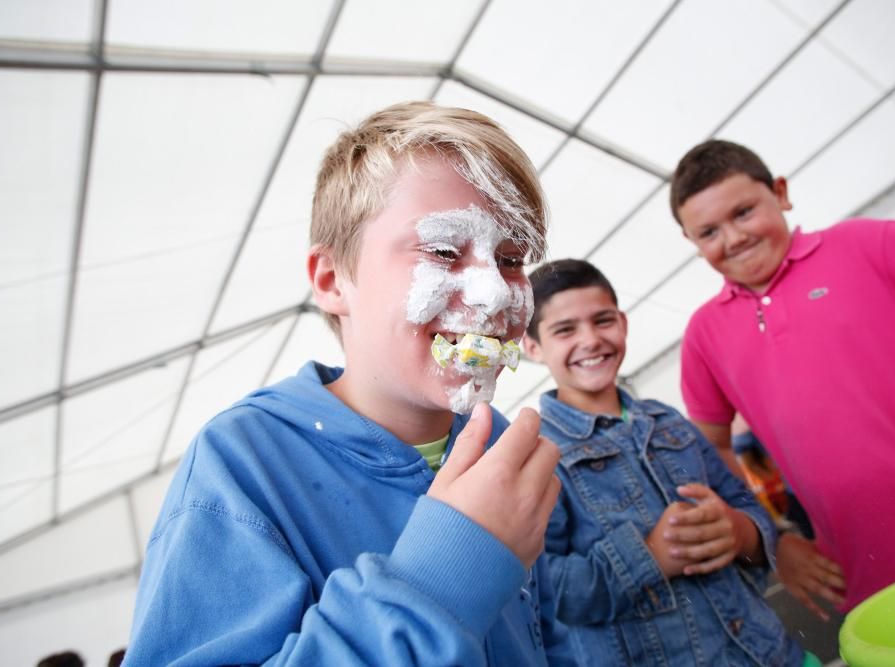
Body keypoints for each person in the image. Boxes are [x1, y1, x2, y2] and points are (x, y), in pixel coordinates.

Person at [124, 101, 573, 665]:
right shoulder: (243, 466)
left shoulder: (501, 451)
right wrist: (450, 572)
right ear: (333, 279)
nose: (495, 294)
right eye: (442, 251)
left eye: (510, 259)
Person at [670, 139, 895, 617]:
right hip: (867, 578)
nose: (733, 238)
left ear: (780, 193)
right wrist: (774, 540)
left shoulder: (870, 245)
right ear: (692, 242)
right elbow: (708, 450)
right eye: (708, 232)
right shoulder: (704, 334)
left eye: (743, 212)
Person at [522, 258, 812, 666]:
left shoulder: (667, 421)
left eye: (602, 320)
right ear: (532, 347)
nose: (590, 340)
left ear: (622, 323)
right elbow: (541, 590)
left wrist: (739, 531)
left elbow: (746, 506)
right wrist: (651, 556)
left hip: (771, 653)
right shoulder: (538, 457)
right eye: (565, 330)